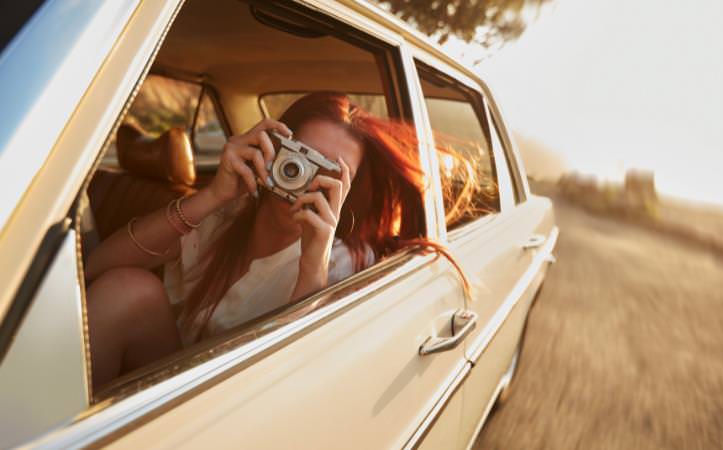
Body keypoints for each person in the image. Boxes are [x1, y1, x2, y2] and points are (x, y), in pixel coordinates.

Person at [84, 92, 473, 389]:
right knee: (126, 289)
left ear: (348, 193)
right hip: (161, 379)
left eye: (329, 174)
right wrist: (213, 195)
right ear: (272, 149)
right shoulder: (226, 213)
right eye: (300, 157)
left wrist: (313, 258)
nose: (304, 178)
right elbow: (98, 269)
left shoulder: (345, 263)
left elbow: (298, 384)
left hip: (234, 407)